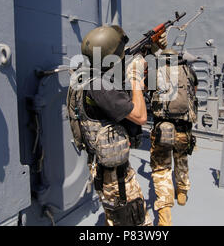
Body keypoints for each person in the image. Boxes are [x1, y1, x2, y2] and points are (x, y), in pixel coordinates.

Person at [67, 25, 166, 226]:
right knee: (133, 220)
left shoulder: (86, 75)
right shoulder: (100, 86)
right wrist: (136, 78)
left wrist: (152, 49)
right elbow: (139, 116)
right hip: (114, 175)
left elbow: (119, 83)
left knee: (116, 218)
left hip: (105, 164)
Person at [149, 48, 198, 226]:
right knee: (182, 159)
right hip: (184, 129)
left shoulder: (156, 73)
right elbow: (194, 92)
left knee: (161, 169)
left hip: (162, 129)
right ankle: (182, 192)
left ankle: (165, 215)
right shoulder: (188, 71)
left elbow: (147, 95)